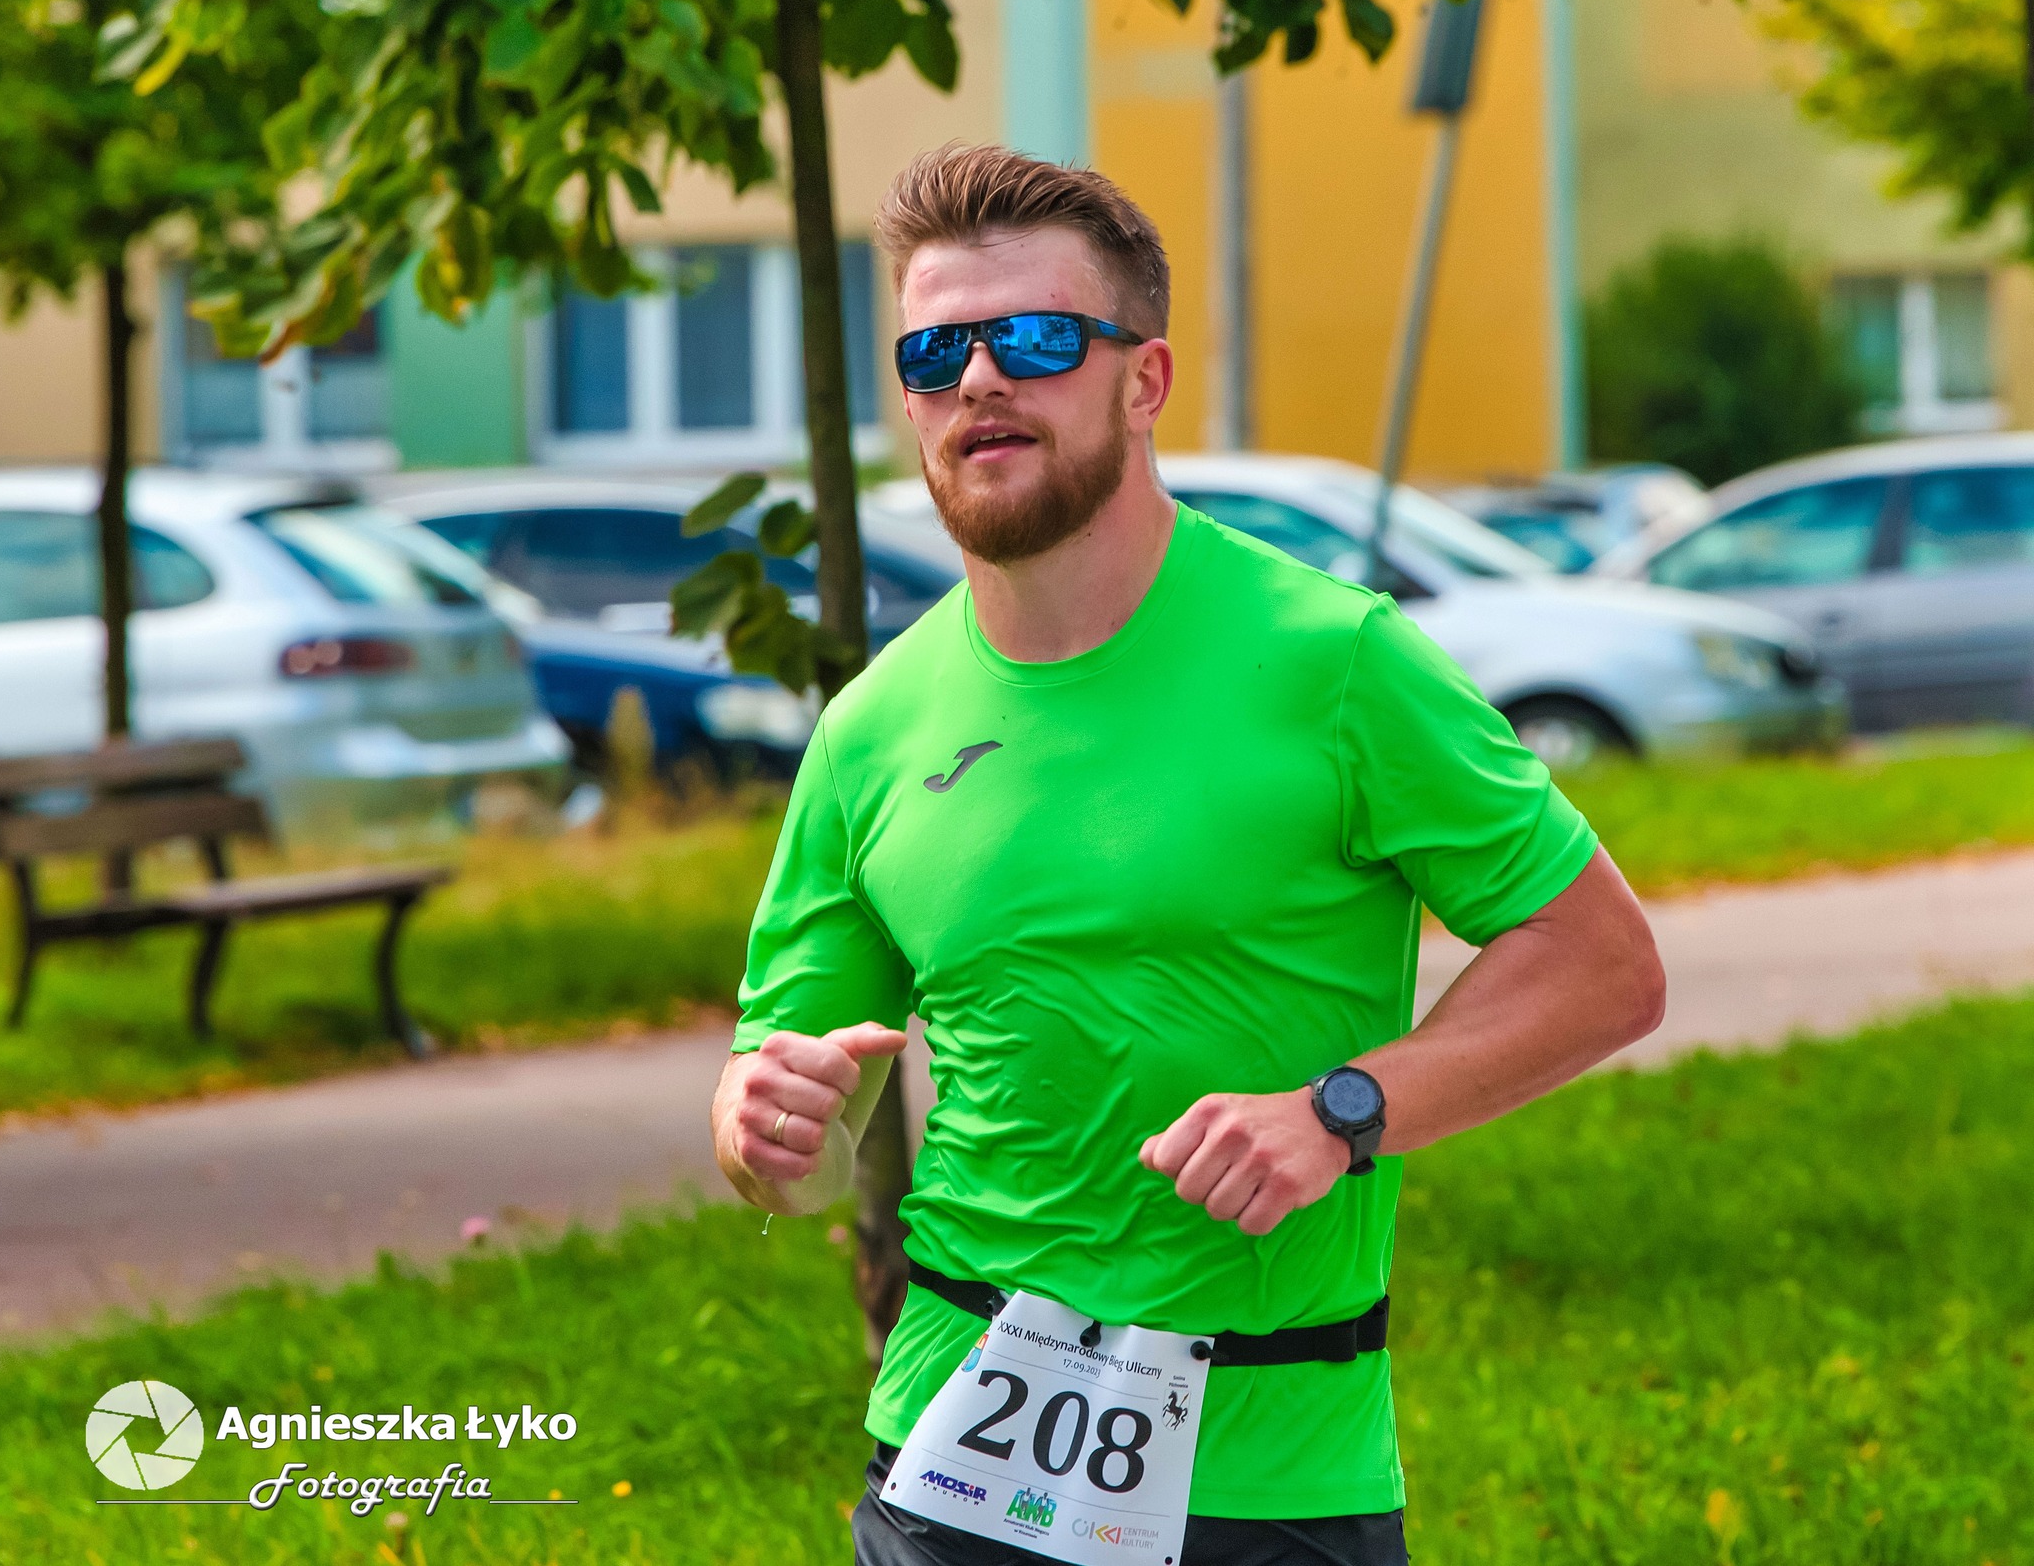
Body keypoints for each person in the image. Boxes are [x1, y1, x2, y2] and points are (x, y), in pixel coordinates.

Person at [711, 143, 1666, 1566]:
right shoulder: (870, 729)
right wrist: (763, 1131)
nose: (981, 380)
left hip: (1271, 1477)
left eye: (1038, 340)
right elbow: (798, 1141)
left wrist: (1343, 1112)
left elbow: (1603, 965)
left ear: (1143, 380)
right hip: (948, 1461)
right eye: (936, 352)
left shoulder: (1336, 661)